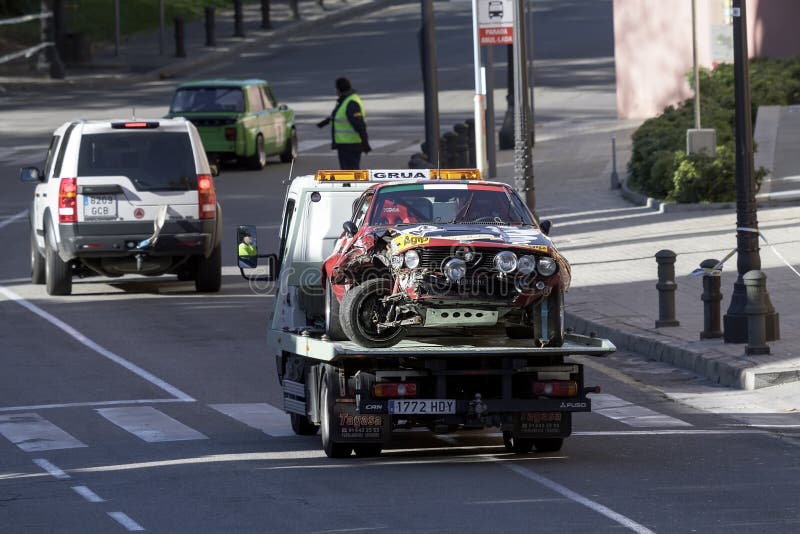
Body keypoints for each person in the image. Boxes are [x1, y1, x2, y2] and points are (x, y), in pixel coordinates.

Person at [317, 77, 371, 170]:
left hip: (351, 144)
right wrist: (324, 122)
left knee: (350, 172)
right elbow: (339, 116)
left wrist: (365, 143)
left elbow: (358, 124)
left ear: (339, 89)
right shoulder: (345, 100)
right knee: (348, 172)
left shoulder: (351, 102)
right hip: (345, 144)